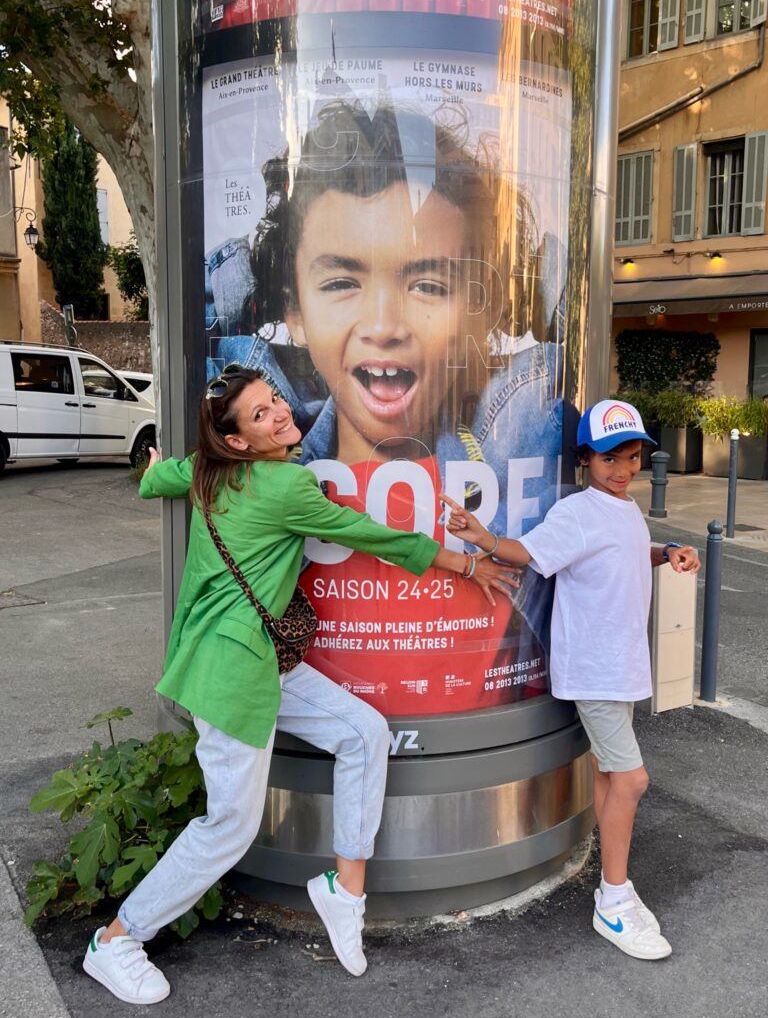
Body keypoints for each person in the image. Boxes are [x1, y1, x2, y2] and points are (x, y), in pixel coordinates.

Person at [82, 366, 513, 1005]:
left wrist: (150, 474)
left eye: (273, 400)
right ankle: (117, 939)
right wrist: (467, 562)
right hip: (233, 673)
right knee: (229, 826)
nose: (280, 413)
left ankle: (344, 892)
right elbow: (377, 538)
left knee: (363, 732)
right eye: (260, 415)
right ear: (239, 443)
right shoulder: (286, 485)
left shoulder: (204, 472)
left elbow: (162, 478)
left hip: (259, 662)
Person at [205, 100, 569, 711]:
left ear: (479, 309)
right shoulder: (268, 462)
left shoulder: (515, 436)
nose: (383, 325)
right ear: (293, 310)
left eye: (427, 284)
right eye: (341, 282)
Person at [441, 398, 701, 961]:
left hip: (620, 667)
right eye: (611, 458)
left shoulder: (621, 508)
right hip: (596, 671)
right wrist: (483, 539)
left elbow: (629, 551)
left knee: (612, 777)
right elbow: (530, 553)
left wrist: (670, 551)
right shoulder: (579, 510)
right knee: (631, 781)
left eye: (633, 456)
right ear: (584, 459)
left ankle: (612, 878)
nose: (624, 468)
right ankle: (613, 899)